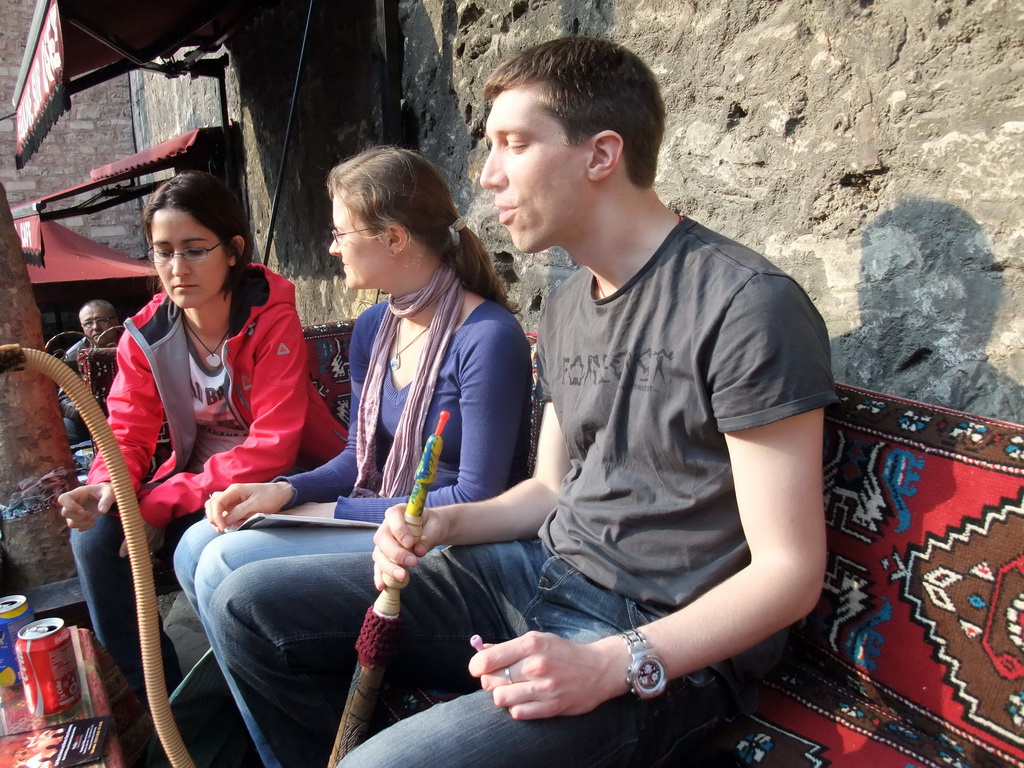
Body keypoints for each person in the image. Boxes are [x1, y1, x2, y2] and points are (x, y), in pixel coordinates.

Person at [208, 36, 838, 768]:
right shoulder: (569, 306)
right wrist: (442, 521)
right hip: (532, 570)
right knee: (243, 606)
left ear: (601, 155)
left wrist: (610, 663)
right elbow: (546, 491)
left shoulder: (746, 305)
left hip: (658, 633)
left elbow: (789, 573)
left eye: (513, 144)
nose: (488, 174)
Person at [173, 146, 533, 642]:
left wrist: (329, 512)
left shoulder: (488, 337)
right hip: (379, 518)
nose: (333, 247)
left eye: (341, 232)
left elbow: (478, 495)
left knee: (222, 562)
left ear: (393, 238)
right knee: (193, 544)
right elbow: (357, 457)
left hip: (447, 542)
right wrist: (284, 490)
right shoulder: (373, 328)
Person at [56, 170, 346, 703]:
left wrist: (158, 506)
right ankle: (161, 701)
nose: (176, 268)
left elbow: (274, 445)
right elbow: (125, 430)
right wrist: (106, 486)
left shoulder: (270, 316)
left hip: (280, 478)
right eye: (162, 251)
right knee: (94, 533)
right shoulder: (145, 336)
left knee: (208, 531)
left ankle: (252, 681)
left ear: (233, 250)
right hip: (195, 482)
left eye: (193, 250)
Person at [59, 300, 120, 445]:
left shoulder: (133, 344)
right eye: (88, 323)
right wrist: (85, 410)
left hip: (130, 412)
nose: (96, 327)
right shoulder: (73, 356)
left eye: (101, 320)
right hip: (90, 421)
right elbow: (63, 399)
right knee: (62, 430)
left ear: (115, 321)